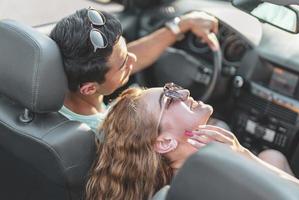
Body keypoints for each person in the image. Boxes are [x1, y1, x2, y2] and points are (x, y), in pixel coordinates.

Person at [85, 83, 299, 200]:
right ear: (165, 142)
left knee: (272, 156)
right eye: (170, 98)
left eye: (172, 87)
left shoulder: (174, 182)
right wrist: (242, 155)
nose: (183, 92)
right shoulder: (217, 183)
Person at [50, 8, 219, 138]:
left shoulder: (55, 83)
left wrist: (181, 25)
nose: (133, 58)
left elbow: (119, 59)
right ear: (89, 89)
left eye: (125, 48)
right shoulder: (106, 134)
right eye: (124, 63)